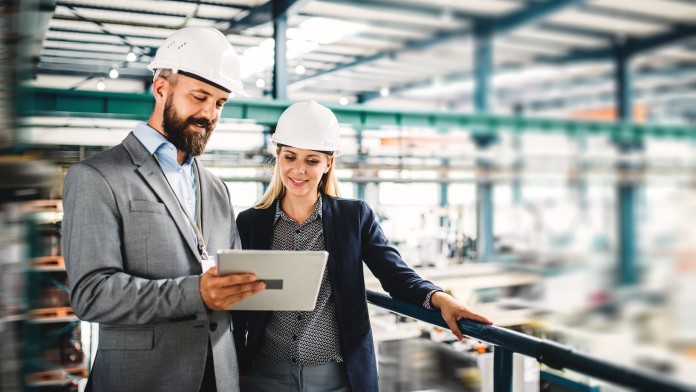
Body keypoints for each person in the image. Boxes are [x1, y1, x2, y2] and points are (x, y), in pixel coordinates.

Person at [233, 101, 492, 392]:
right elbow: (240, 301)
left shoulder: (353, 217)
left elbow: (395, 274)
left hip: (335, 376)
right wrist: (237, 366)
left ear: (328, 163)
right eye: (290, 157)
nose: (299, 170)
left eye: (312, 160)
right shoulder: (250, 222)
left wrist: (440, 298)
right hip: (266, 374)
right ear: (278, 156)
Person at [62, 27, 266, 392]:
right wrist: (196, 294)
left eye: (220, 103)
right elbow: (91, 293)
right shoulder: (96, 177)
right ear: (161, 89)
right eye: (200, 96)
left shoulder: (216, 188)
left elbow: (227, 272)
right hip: (144, 378)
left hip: (219, 377)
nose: (209, 113)